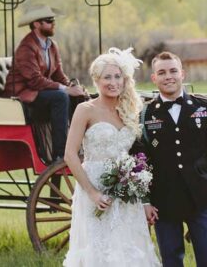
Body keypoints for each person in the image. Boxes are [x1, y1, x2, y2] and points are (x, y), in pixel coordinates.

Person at [62, 48, 160, 267]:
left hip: (126, 191)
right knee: (99, 250)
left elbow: (137, 157)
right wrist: (93, 193)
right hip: (94, 186)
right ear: (96, 80)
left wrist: (143, 198)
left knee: (128, 248)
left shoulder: (131, 109)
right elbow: (70, 154)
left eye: (118, 76)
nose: (113, 82)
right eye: (107, 77)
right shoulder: (84, 110)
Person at [140, 52, 207, 267]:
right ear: (154, 78)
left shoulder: (203, 107)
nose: (168, 76)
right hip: (163, 198)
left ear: (182, 74)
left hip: (201, 196)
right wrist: (145, 200)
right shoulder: (145, 113)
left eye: (173, 71)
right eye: (161, 72)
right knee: (171, 259)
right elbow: (140, 160)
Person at [4, 5, 87, 161]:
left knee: (80, 97)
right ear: (36, 24)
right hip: (24, 94)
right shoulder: (26, 47)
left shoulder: (51, 45)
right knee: (61, 97)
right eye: (49, 21)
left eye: (53, 20)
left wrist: (71, 86)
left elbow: (58, 74)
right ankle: (60, 154)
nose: (53, 23)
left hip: (40, 92)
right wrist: (65, 90)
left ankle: (79, 146)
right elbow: (34, 80)